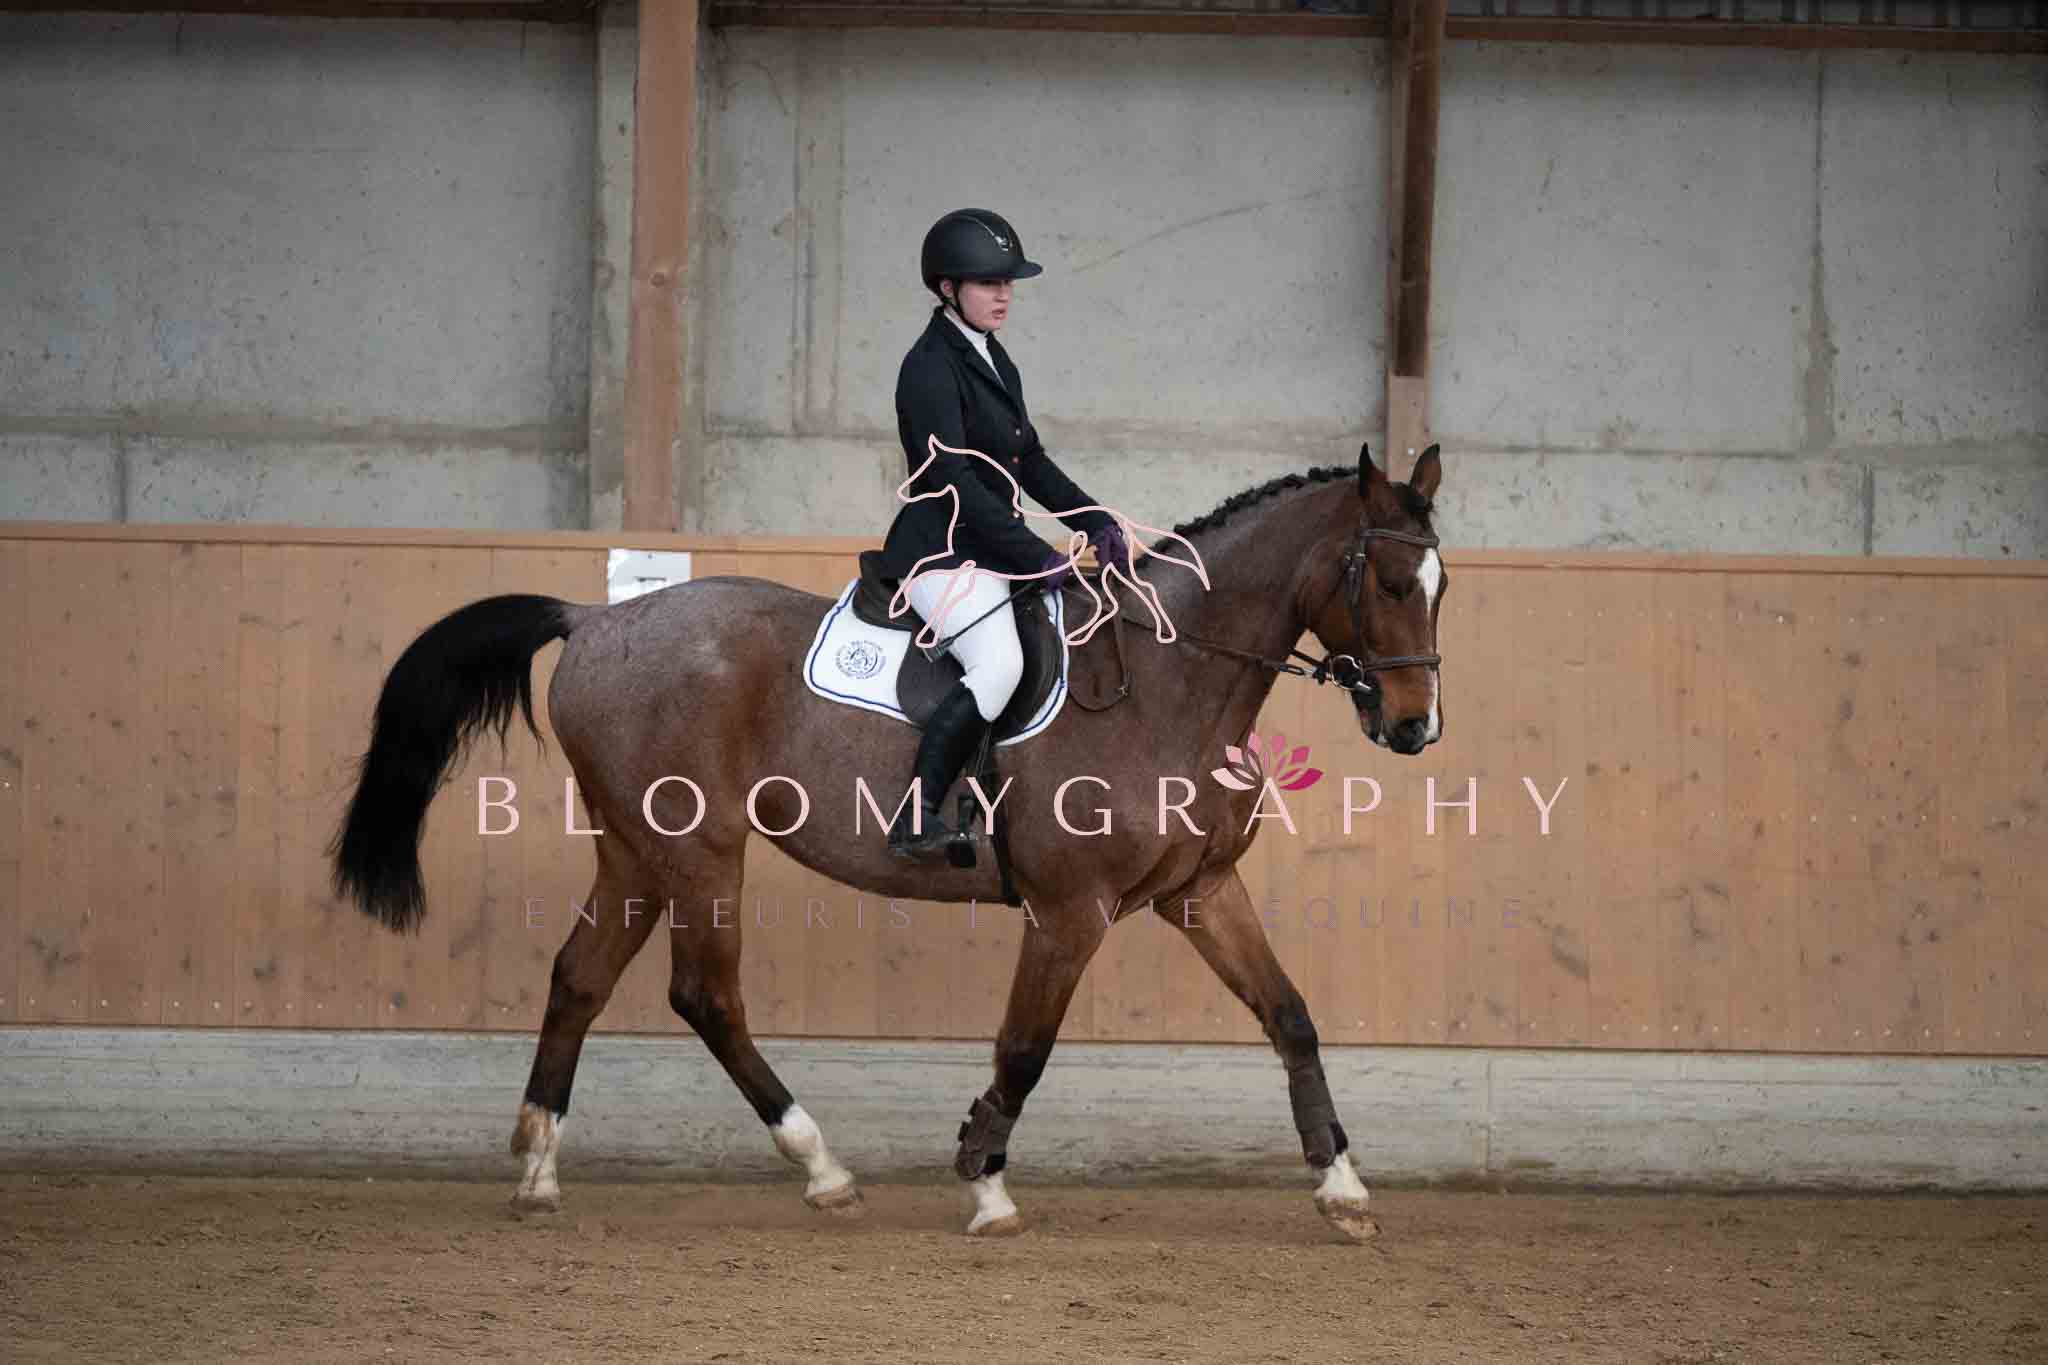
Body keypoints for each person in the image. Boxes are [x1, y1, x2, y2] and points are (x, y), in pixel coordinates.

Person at [880, 208, 1129, 862]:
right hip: (942, 554)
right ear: (947, 288)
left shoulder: (993, 357)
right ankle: (916, 815)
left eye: (1008, 283)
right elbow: (953, 478)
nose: (1004, 295)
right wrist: (1037, 556)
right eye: (989, 283)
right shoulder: (928, 367)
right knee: (1000, 664)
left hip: (992, 551)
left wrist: (1094, 519)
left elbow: (1030, 461)